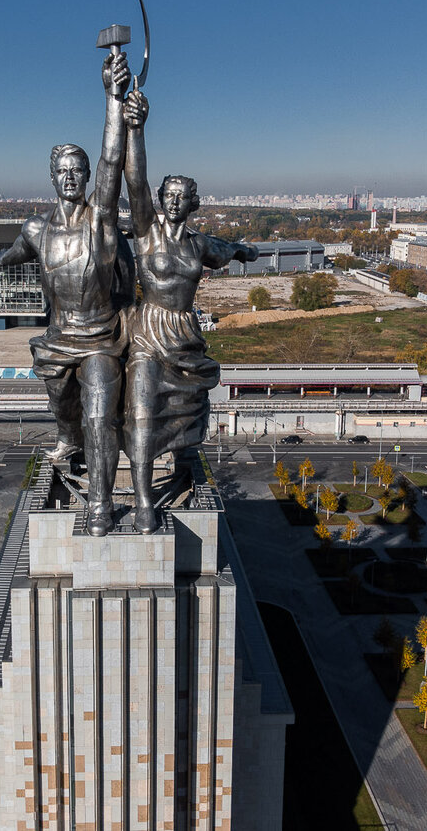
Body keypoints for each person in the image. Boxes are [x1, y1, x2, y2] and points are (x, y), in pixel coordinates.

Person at [0, 52, 132, 536]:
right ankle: (67, 438)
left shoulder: (103, 221)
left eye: (79, 169)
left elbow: (114, 159)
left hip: (100, 338)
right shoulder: (37, 229)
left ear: (87, 176)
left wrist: (112, 99)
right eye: (64, 170)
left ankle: (100, 503)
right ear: (52, 177)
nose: (71, 176)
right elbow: (15, 250)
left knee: (100, 415)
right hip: (57, 339)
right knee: (63, 407)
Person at [121, 89, 258, 533]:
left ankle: (179, 461)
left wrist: (247, 250)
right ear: (161, 198)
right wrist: (136, 128)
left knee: (185, 410)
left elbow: (232, 250)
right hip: (147, 330)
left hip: (184, 335)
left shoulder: (200, 244)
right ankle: (144, 500)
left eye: (183, 196)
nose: (174, 201)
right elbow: (134, 180)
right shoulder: (145, 230)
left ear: (193, 202)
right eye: (169, 194)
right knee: (142, 411)